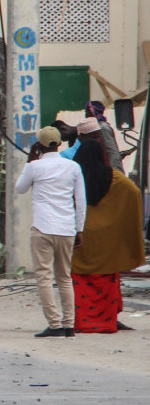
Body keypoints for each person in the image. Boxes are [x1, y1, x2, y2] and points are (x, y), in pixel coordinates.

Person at [15, 126, 86, 338]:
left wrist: (30, 159)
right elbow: (80, 201)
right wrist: (79, 229)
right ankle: (69, 325)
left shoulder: (34, 167)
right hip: (66, 229)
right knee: (64, 277)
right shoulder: (72, 167)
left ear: (39, 145)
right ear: (60, 144)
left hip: (43, 228)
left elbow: (20, 188)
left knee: (44, 277)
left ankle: (54, 324)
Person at [70, 141, 145, 333]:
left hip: (80, 239)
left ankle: (82, 321)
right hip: (107, 242)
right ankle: (107, 321)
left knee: (81, 282)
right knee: (107, 282)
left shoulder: (73, 175)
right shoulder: (114, 178)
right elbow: (135, 192)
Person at [86, 101, 123, 172]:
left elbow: (112, 152)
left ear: (91, 112)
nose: (85, 115)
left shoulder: (103, 127)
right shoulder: (95, 128)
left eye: (87, 112)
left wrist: (114, 173)